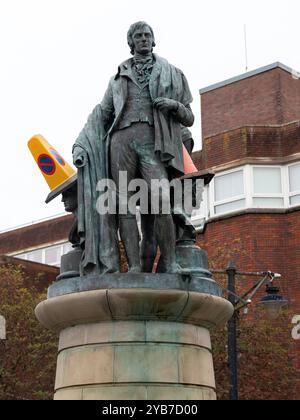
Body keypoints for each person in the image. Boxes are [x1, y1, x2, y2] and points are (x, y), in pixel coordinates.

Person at [99, 21, 195, 274]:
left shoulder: (173, 73)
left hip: (153, 141)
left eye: (147, 35)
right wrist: (82, 145)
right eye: (138, 36)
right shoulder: (117, 79)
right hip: (121, 141)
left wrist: (174, 106)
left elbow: (189, 118)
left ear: (153, 40)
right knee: (123, 204)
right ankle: (133, 267)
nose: (143, 39)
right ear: (130, 43)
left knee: (162, 199)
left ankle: (171, 263)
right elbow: (103, 116)